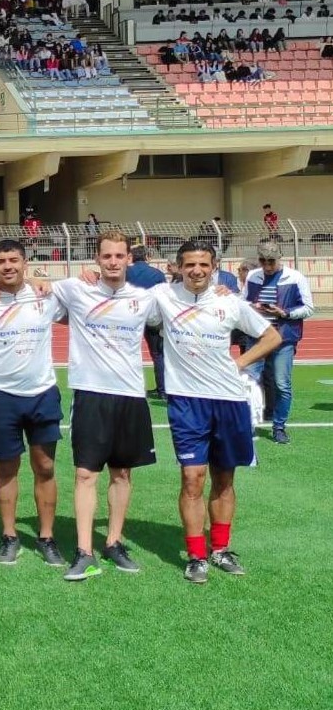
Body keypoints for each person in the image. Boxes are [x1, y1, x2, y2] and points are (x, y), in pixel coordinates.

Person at [149, 240, 282, 583]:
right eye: (190, 265)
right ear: (178, 267)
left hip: (228, 400)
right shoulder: (162, 297)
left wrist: (239, 362)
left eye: (204, 265)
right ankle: (196, 555)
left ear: (214, 267)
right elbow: (122, 301)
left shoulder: (228, 301)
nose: (196, 271)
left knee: (224, 478)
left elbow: (271, 337)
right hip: (186, 402)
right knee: (192, 477)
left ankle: (220, 549)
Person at [50, 230, 157, 580]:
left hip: (130, 396)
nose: (113, 262)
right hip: (90, 394)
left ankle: (113, 542)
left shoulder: (145, 299)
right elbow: (30, 281)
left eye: (119, 256)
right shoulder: (76, 290)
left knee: (122, 473)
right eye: (106, 256)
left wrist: (217, 288)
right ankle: (84, 551)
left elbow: (188, 295)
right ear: (96, 259)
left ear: (129, 259)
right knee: (85, 474)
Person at [0, 240, 66, 567]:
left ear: (25, 263)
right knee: (7, 468)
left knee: (45, 467)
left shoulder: (46, 295)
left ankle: (47, 537)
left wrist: (91, 274)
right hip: (1, 396)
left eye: (13, 260)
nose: (7, 266)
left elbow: (88, 294)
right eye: (0, 262)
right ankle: (9, 536)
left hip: (42, 393)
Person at [245, 239, 315, 445]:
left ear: (280, 258)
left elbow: (309, 308)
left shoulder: (296, 278)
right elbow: (243, 301)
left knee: (282, 384)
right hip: (256, 337)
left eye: (271, 261)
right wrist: (252, 306)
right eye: (263, 260)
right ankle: (248, 425)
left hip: (283, 339)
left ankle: (279, 427)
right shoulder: (252, 276)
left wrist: (284, 312)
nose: (267, 265)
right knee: (249, 382)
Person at [126, 245, 168, 399]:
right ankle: (162, 390)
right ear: (147, 257)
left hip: (130, 317)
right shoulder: (157, 273)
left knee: (128, 352)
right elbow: (165, 296)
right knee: (158, 354)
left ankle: (132, 388)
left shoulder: (127, 272)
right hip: (152, 318)